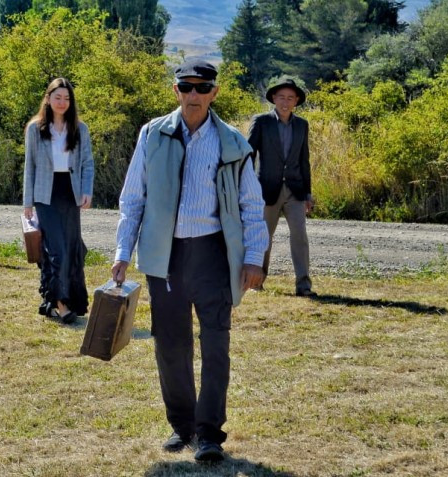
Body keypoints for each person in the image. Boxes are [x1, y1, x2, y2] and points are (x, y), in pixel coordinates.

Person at [111, 59, 268, 463]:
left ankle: (210, 433)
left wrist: (254, 258)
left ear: (215, 92)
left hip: (214, 254)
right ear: (176, 90)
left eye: (202, 88)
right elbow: (133, 198)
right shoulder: (152, 134)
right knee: (170, 345)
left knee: (216, 343)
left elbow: (253, 205)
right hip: (165, 257)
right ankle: (182, 426)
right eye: (186, 87)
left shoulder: (233, 142)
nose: (193, 95)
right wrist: (122, 253)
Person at [23, 77, 94, 325]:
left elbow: (87, 163)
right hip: (45, 194)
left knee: (73, 248)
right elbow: (29, 167)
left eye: (66, 98)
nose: (62, 102)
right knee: (56, 250)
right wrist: (27, 203)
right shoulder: (35, 129)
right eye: (57, 97)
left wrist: (87, 191)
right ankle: (60, 304)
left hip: (70, 193)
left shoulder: (80, 129)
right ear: (48, 99)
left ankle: (67, 301)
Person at [248, 76, 316, 297]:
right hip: (266, 190)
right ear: (273, 99)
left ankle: (303, 285)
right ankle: (257, 282)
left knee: (300, 236)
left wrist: (307, 193)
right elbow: (249, 155)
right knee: (263, 237)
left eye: (290, 98)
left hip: (295, 190)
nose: (285, 102)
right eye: (281, 97)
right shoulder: (261, 122)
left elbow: (304, 161)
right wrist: (247, 187)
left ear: (296, 101)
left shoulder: (302, 125)